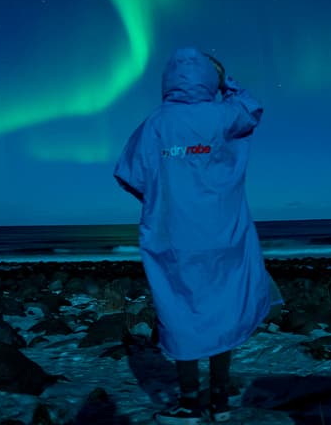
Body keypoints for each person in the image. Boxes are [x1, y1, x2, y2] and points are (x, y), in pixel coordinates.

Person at [114, 47, 279, 424]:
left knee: (181, 313)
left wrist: (166, 190)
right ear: (211, 79)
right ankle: (219, 402)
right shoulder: (222, 115)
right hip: (223, 235)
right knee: (222, 311)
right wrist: (227, 84)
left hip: (172, 237)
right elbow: (252, 108)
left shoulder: (155, 123)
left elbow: (129, 174)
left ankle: (190, 403)